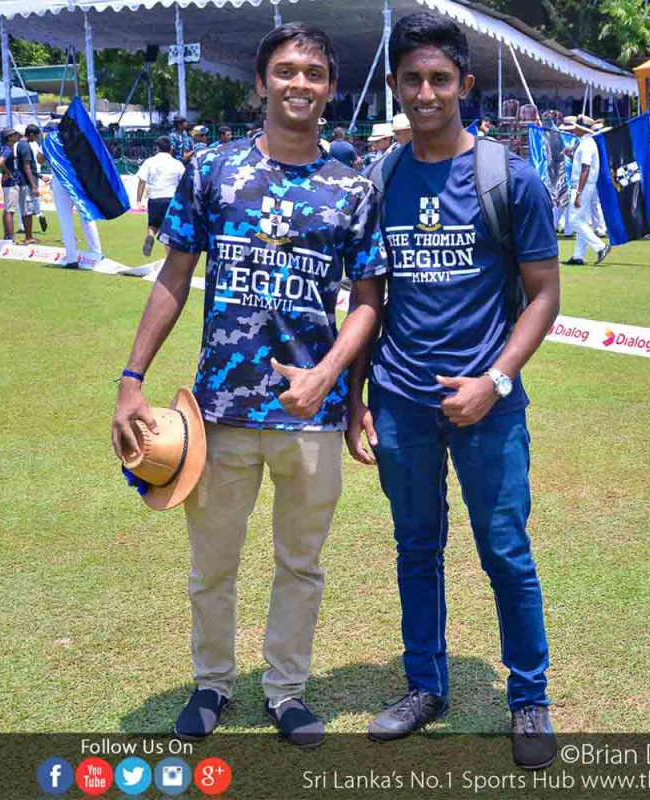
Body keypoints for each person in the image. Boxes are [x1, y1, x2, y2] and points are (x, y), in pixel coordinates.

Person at [111, 22, 387, 749]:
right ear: (262, 82)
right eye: (287, 71)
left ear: (331, 89)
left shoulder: (353, 189)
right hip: (221, 412)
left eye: (314, 73)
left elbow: (368, 302)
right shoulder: (212, 170)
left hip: (312, 413)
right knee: (213, 564)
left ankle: (287, 690)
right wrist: (132, 378)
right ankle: (212, 683)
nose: (300, 84)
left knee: (301, 564)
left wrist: (338, 385)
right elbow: (173, 276)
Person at [348, 11, 560, 771]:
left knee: (505, 551)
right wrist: (356, 397)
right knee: (416, 548)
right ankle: (424, 687)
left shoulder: (510, 177)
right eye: (412, 79)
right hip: (400, 400)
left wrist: (494, 381)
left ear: (465, 84)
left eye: (440, 78)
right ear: (395, 85)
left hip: (487, 405)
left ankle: (528, 697)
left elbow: (544, 296)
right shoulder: (380, 179)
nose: (426, 93)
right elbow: (369, 298)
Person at [567, 114, 609, 266]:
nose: (574, 130)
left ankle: (600, 246)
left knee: (574, 220)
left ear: (582, 129)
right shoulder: (586, 143)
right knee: (581, 220)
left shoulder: (586, 145)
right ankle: (578, 256)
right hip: (585, 184)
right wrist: (571, 156)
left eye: (576, 127)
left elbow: (585, 169)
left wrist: (578, 193)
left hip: (582, 185)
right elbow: (582, 166)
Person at [135, 135, 184, 257]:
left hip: (155, 198)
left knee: (152, 225)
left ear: (157, 148)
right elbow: (184, 182)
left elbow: (142, 181)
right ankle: (169, 258)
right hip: (171, 199)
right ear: (171, 149)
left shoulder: (150, 162)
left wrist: (138, 200)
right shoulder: (177, 163)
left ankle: (150, 236)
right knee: (168, 229)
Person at [15, 124, 43, 242]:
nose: (36, 139)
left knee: (27, 210)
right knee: (27, 210)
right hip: (26, 183)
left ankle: (29, 236)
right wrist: (33, 186)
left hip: (24, 181)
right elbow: (27, 167)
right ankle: (28, 237)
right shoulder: (25, 146)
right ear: (31, 134)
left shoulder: (21, 144)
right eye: (36, 136)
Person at [0, 128, 23, 241]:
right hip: (10, 182)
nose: (17, 136)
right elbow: (0, 163)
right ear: (9, 137)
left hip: (7, 182)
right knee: (10, 210)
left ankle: (7, 235)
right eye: (14, 135)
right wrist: (8, 172)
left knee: (7, 209)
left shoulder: (6, 148)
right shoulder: (8, 149)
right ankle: (11, 237)